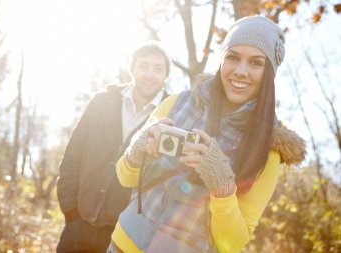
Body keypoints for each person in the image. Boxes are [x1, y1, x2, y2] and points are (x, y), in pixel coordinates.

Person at [108, 16, 306, 253]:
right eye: (233, 57)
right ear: (221, 61)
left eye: (255, 63)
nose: (241, 71)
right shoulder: (176, 103)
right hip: (122, 245)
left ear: (269, 74)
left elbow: (232, 243)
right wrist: (136, 150)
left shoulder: (268, 151)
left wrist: (222, 184)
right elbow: (125, 177)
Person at [56, 41, 171, 253]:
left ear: (166, 76)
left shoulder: (172, 117)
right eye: (143, 66)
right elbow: (72, 155)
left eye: (158, 68)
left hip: (124, 237)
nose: (149, 74)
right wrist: (71, 213)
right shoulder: (101, 102)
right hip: (77, 224)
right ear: (133, 69)